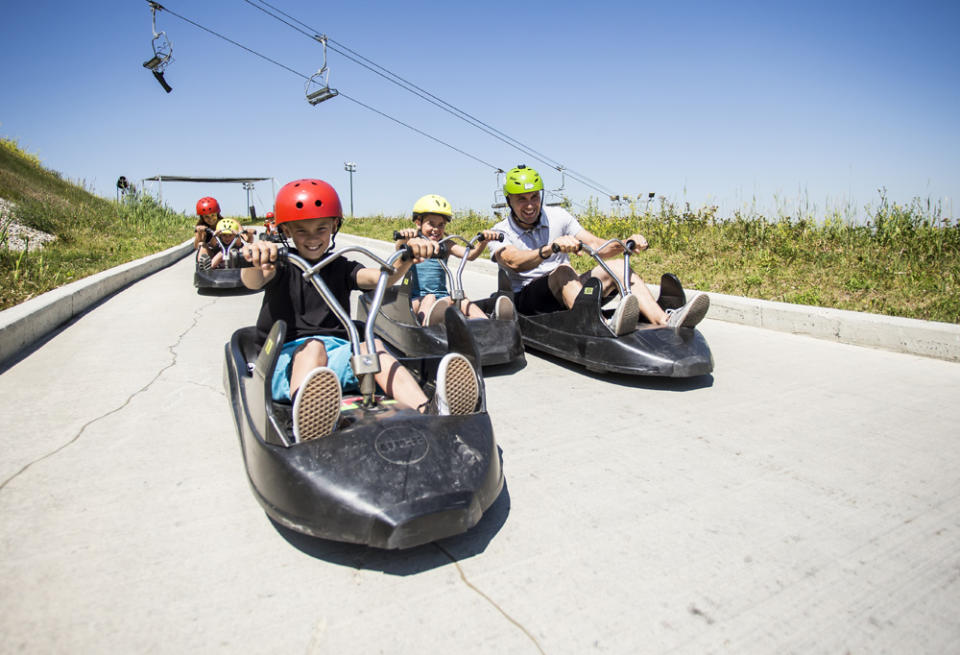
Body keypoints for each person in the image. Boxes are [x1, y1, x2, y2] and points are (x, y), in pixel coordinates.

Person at [240, 178, 480, 441]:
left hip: (338, 357)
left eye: (321, 229)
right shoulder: (280, 265)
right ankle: (309, 425)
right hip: (284, 361)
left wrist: (408, 257)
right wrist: (257, 258)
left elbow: (382, 278)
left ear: (334, 226)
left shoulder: (339, 266)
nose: (312, 239)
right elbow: (252, 280)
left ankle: (430, 409)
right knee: (313, 348)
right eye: (301, 231)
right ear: (286, 232)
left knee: (372, 347)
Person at [487, 165, 709, 335]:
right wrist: (549, 249)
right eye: (521, 199)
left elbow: (596, 246)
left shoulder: (558, 216)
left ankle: (666, 321)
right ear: (509, 201)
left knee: (617, 266)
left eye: (534, 197)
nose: (529, 205)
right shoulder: (501, 230)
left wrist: (625, 242)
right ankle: (602, 325)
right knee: (563, 271)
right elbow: (512, 260)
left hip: (567, 290)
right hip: (529, 301)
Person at [394, 194, 514, 326]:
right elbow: (400, 246)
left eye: (441, 225)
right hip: (417, 297)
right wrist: (405, 237)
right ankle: (427, 328)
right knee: (428, 299)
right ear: (418, 222)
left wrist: (483, 242)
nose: (436, 229)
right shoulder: (415, 242)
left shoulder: (446, 244)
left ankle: (490, 324)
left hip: (442, 297)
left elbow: (470, 255)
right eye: (431, 224)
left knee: (461, 299)